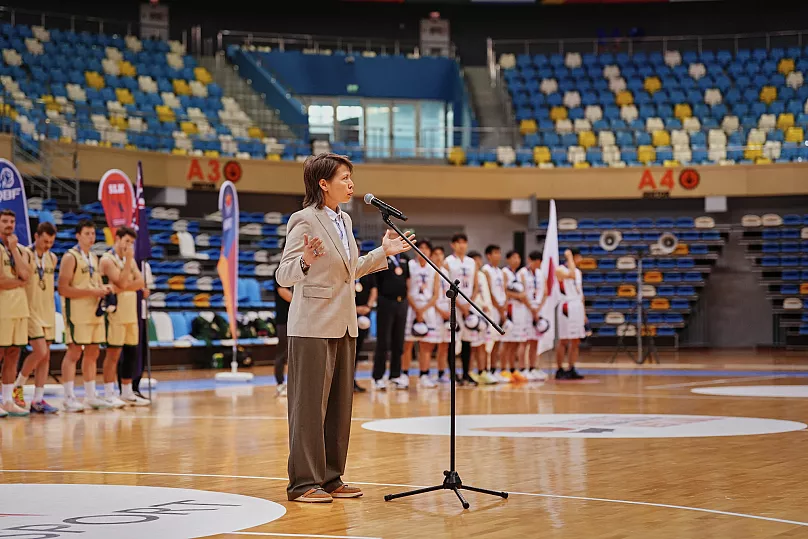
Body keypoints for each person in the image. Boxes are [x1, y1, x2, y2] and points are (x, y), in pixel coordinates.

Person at [275, 152, 413, 503]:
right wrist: (305, 260)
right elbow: (283, 274)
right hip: (312, 326)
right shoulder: (303, 220)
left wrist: (383, 252)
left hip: (344, 324)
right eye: (344, 178)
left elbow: (350, 270)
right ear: (323, 184)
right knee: (308, 408)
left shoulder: (345, 222)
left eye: (351, 177)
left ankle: (332, 477)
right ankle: (304, 483)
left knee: (339, 407)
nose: (351, 184)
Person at [59, 219, 113, 412]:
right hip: (76, 313)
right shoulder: (70, 257)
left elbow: (93, 284)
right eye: (87, 234)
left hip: (93, 312)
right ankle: (68, 397)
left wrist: (103, 288)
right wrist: (92, 292)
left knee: (93, 352)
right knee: (74, 352)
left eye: (93, 234)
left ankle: (90, 396)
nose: (91, 237)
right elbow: (63, 289)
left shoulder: (93, 257)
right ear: (78, 235)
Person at [99, 226, 149, 407]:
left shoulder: (129, 261)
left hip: (130, 313)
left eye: (132, 243)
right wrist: (128, 264)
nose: (129, 246)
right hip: (115, 313)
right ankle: (108, 392)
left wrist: (122, 286)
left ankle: (127, 392)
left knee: (131, 352)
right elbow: (121, 280)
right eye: (126, 241)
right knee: (113, 354)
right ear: (117, 239)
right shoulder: (107, 259)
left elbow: (141, 282)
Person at [12, 222, 59, 413]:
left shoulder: (53, 258)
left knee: (45, 356)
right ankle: (18, 385)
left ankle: (38, 399)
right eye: (45, 241)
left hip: (47, 310)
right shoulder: (25, 253)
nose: (48, 245)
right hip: (30, 310)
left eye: (51, 242)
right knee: (39, 351)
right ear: (36, 236)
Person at [0, 209, 31, 417]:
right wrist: (18, 281)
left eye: (12, 221)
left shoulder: (17, 249)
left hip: (19, 308)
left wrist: (14, 249)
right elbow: (0, 282)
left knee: (13, 354)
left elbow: (26, 275)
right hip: (2, 309)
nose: (9, 225)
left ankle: (8, 400)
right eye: (4, 221)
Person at [401, 239, 440, 389]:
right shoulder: (410, 266)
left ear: (430, 251)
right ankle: (404, 374)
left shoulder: (434, 268)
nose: (422, 251)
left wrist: (423, 310)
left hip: (428, 309)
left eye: (425, 248)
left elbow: (436, 294)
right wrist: (417, 309)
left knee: (426, 346)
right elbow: (407, 289)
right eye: (420, 248)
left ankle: (424, 375)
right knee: (407, 344)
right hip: (412, 307)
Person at [371, 248, 410, 391]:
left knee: (399, 341)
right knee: (384, 342)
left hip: (402, 303)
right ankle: (378, 376)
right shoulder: (382, 257)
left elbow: (408, 280)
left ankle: (395, 374)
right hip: (386, 302)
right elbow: (376, 281)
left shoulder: (405, 258)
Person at [444, 234, 477, 383]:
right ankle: (452, 373)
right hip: (454, 306)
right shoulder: (448, 262)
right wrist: (459, 305)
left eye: (464, 242)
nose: (462, 245)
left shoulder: (471, 262)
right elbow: (446, 286)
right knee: (453, 341)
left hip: (469, 306)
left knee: (467, 341)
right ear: (453, 245)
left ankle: (466, 373)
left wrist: (469, 304)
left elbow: (476, 285)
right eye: (458, 243)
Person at [517, 250, 549, 381]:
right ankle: (522, 368)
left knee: (535, 340)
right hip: (525, 310)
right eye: (535, 262)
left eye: (539, 262)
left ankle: (532, 367)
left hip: (538, 309)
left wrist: (538, 308)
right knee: (524, 340)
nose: (537, 264)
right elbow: (521, 294)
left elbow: (545, 292)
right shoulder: (522, 273)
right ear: (529, 260)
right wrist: (532, 309)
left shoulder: (541, 274)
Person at [555, 248, 585, 380]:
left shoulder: (579, 272)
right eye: (579, 257)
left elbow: (581, 293)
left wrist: (584, 314)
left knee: (576, 340)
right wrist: (569, 258)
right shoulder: (560, 269)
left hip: (577, 305)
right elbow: (571, 274)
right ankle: (559, 368)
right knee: (564, 340)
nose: (581, 260)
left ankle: (571, 367)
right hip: (566, 306)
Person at [480, 245, 507, 385]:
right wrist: (499, 308)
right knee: (488, 341)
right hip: (492, 309)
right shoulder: (486, 270)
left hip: (501, 308)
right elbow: (489, 292)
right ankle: (486, 369)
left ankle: (494, 369)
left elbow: (503, 291)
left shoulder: (500, 272)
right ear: (489, 255)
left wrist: (504, 307)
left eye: (499, 252)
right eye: (495, 253)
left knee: (497, 341)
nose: (498, 255)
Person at [501, 250, 528, 383]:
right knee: (507, 341)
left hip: (520, 310)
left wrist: (522, 296)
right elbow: (504, 291)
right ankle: (503, 369)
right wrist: (518, 296)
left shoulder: (519, 273)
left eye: (518, 257)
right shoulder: (504, 272)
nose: (517, 260)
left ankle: (512, 369)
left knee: (515, 342)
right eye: (514, 257)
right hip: (510, 308)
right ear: (508, 259)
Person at [430, 246, 452, 383]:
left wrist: (449, 311)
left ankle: (441, 372)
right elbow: (431, 295)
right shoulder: (430, 271)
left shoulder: (446, 272)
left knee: (444, 346)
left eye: (441, 254)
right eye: (436, 254)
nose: (438, 257)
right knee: (432, 344)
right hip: (435, 311)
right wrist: (440, 311)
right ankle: (426, 373)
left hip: (446, 310)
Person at [353, 270, 377, 393]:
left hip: (364, 314)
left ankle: (353, 381)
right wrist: (355, 309)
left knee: (357, 349)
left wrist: (368, 306)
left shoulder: (366, 271)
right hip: (348, 314)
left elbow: (374, 290)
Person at [272, 268, 292, 397]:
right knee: (282, 352)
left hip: (300, 318)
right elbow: (283, 291)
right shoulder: (281, 270)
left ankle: (296, 385)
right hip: (284, 320)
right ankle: (280, 384)